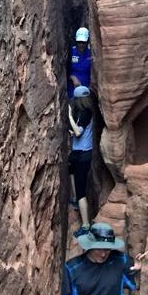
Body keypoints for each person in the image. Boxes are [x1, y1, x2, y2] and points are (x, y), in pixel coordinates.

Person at [68, 85, 94, 237]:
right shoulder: (83, 112)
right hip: (78, 152)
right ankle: (75, 199)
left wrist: (69, 116)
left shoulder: (85, 113)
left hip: (83, 155)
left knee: (81, 191)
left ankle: (85, 226)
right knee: (70, 169)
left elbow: (77, 132)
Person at [68, 27, 92, 99]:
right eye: (79, 42)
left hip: (87, 93)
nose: (81, 45)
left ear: (87, 41)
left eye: (83, 42)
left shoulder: (91, 54)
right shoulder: (70, 52)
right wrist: (73, 77)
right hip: (71, 92)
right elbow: (63, 70)